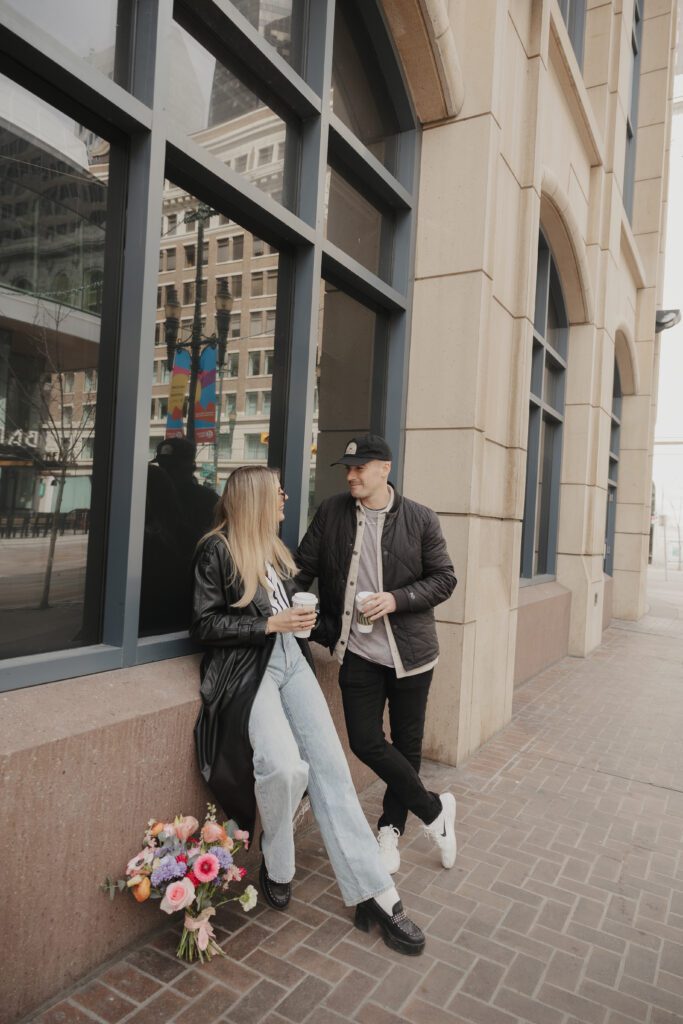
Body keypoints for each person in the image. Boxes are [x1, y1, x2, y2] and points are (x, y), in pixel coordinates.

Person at [191, 465, 426, 955]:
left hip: (289, 662)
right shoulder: (216, 548)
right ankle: (277, 862)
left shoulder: (275, 552)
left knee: (332, 771)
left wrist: (301, 623)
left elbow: (283, 617)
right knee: (282, 768)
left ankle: (376, 895)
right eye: (278, 491)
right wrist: (270, 624)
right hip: (246, 670)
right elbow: (204, 625)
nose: (285, 496)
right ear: (255, 498)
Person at [295, 434, 458, 876]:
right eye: (347, 468)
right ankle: (435, 811)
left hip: (411, 655)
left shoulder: (420, 519)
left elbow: (445, 579)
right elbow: (303, 567)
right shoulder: (331, 512)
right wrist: (287, 602)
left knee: (406, 746)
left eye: (360, 467)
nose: (351, 475)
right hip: (358, 652)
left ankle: (390, 829)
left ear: (384, 469)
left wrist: (397, 599)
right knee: (365, 741)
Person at [153, 437, 219, 549]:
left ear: (188, 466)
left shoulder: (207, 499)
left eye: (172, 467)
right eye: (162, 465)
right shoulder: (152, 496)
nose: (164, 471)